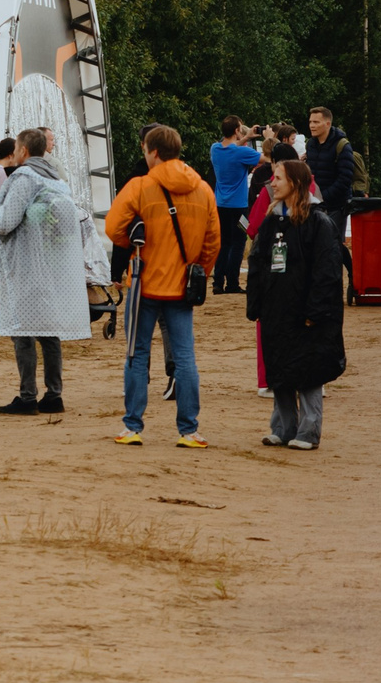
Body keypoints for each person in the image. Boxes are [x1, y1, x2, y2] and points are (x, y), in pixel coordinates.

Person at [103, 125, 219, 449]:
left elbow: (113, 227)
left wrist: (133, 242)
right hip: (182, 286)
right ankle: (189, 429)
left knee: (137, 354)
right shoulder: (203, 190)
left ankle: (132, 426)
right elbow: (213, 241)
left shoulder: (140, 186)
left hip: (145, 282)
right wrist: (200, 272)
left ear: (151, 151)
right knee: (185, 357)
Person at [0, 126, 88, 415]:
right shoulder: (57, 181)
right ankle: (54, 395)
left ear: (22, 151)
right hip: (50, 264)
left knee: (23, 330)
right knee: (49, 331)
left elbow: (5, 222)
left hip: (27, 266)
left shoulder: (24, 178)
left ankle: (27, 396)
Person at [246, 160, 346, 449]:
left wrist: (316, 311)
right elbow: (257, 265)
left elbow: (327, 272)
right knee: (280, 368)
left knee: (309, 370)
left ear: (296, 183)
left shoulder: (318, 222)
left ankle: (308, 431)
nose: (272, 183)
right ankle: (283, 427)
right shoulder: (271, 222)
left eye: (278, 178)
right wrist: (256, 305)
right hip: (276, 310)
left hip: (306, 313)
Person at [209, 117, 260, 295]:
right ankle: (232, 283)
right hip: (239, 206)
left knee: (223, 242)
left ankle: (217, 282)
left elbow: (230, 148)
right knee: (239, 243)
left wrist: (246, 137)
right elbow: (265, 158)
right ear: (237, 131)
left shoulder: (214, 149)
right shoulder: (241, 153)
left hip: (220, 204)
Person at [302, 107, 358, 210]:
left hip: (336, 207)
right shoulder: (310, 144)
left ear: (327, 124)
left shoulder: (342, 145)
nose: (312, 126)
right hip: (314, 205)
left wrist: (322, 197)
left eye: (316, 122)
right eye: (310, 122)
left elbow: (345, 179)